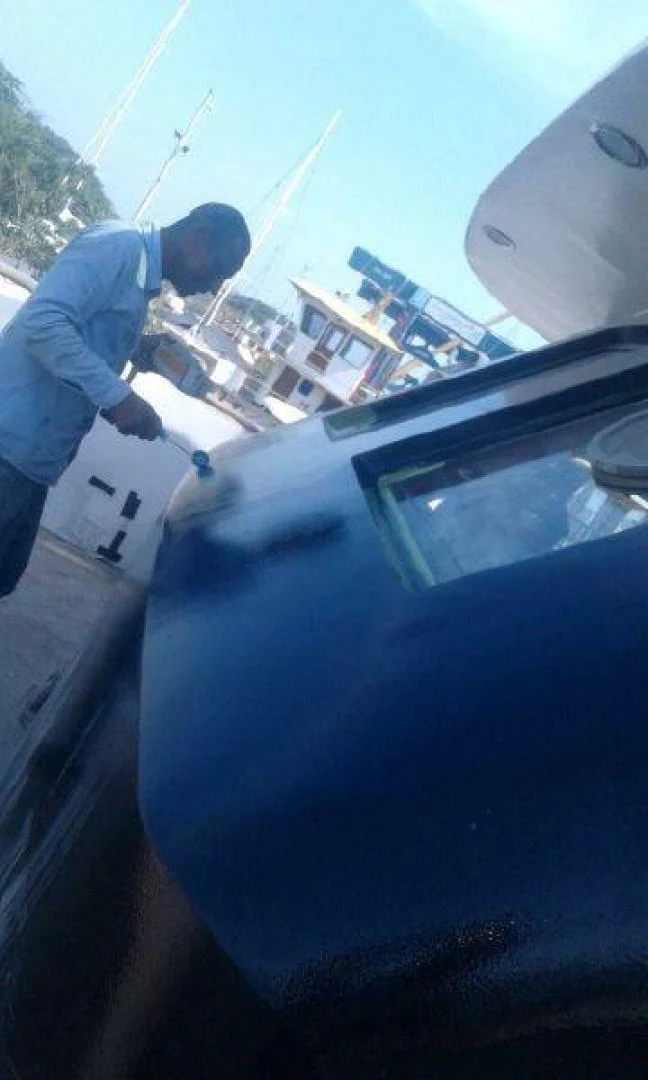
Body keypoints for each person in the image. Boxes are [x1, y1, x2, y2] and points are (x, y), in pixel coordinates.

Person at [0, 203, 250, 597]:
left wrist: (139, 347)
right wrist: (119, 398)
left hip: (33, 460)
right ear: (198, 233)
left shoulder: (141, 278)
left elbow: (86, 330)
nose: (213, 288)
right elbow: (42, 324)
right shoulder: (117, 246)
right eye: (218, 271)